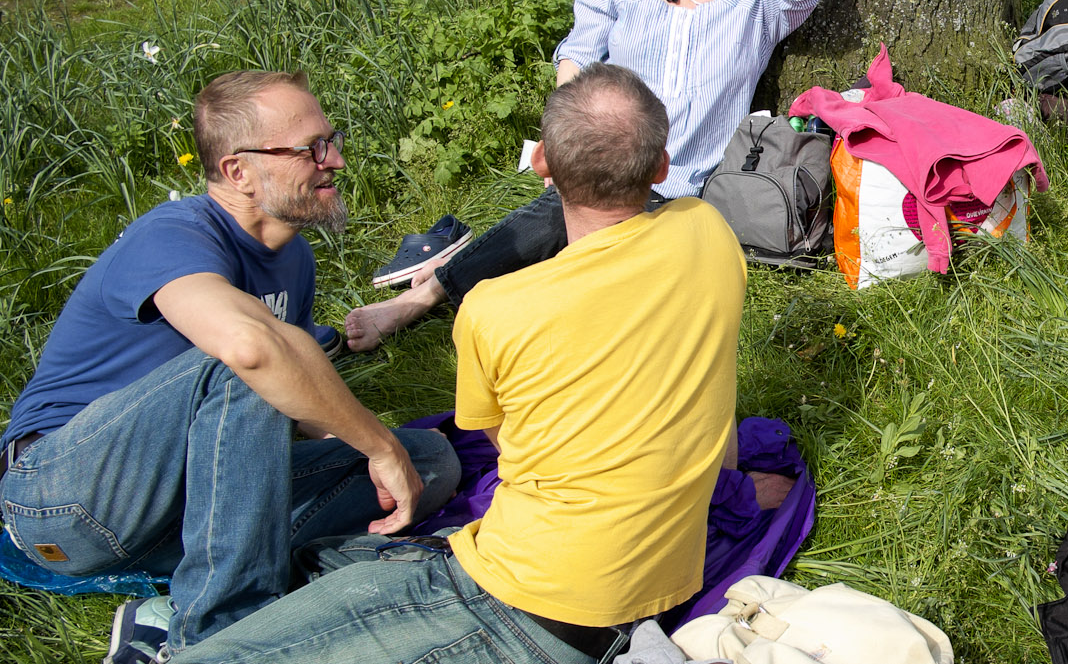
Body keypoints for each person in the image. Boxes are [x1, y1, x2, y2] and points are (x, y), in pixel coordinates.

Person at [174, 63, 748, 664]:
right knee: (323, 564)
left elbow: (508, 441)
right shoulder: (709, 230)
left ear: (542, 165)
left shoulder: (495, 308)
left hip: (523, 603)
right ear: (660, 166)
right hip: (653, 587)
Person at [0, 71, 459, 662]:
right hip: (63, 498)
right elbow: (249, 352)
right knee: (250, 362)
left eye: (332, 140)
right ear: (238, 171)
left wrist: (389, 452)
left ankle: (179, 603)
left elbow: (281, 409)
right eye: (311, 149)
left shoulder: (291, 257)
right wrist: (376, 446)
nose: (336, 161)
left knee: (430, 460)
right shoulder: (172, 235)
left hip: (183, 505)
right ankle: (217, 633)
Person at [342, 0, 826, 351]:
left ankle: (457, 273)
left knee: (593, 249)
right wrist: (565, 137)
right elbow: (579, 50)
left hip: (678, 191)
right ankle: (424, 297)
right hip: (602, 156)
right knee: (572, 214)